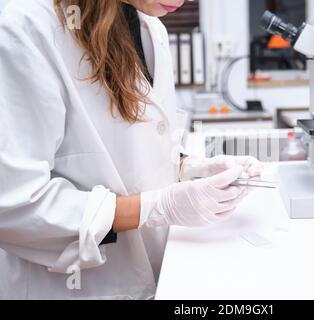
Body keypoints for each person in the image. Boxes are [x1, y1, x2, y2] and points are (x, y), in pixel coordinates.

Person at [0, 0, 262, 299]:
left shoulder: (152, 28)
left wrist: (189, 168)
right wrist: (155, 208)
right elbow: (15, 205)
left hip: (154, 274)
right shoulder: (27, 27)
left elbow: (128, 150)